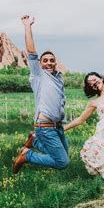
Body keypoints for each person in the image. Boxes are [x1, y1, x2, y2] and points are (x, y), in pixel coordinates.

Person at [13, 15, 69, 174]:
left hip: (57, 127)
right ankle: (27, 155)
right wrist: (27, 26)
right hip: (45, 127)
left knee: (64, 156)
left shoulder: (58, 78)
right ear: (40, 64)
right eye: (45, 60)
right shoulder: (38, 75)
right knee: (62, 162)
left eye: (52, 60)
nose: (49, 63)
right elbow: (31, 51)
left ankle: (35, 141)